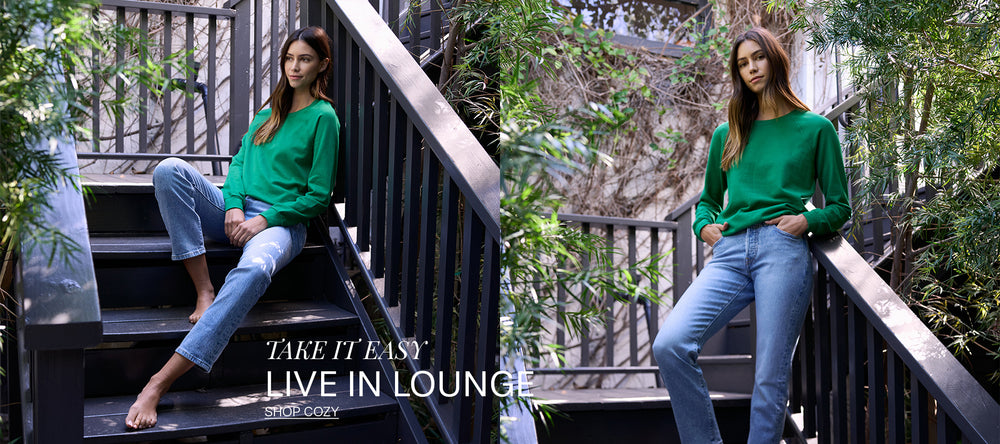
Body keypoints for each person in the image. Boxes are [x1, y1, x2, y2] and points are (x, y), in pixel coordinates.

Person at [125, 25, 340, 430]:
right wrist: (235, 205)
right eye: (290, 58)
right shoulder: (270, 109)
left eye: (305, 59)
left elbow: (318, 197)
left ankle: (159, 382)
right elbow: (239, 163)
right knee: (171, 170)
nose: (294, 67)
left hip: (281, 223)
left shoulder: (324, 118)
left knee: (256, 269)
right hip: (239, 212)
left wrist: (263, 219)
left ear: (321, 65)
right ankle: (204, 289)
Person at [651, 27, 850, 443]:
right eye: (742, 64)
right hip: (729, 252)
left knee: (769, 376)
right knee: (670, 345)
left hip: (782, 249)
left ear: (774, 59)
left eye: (757, 58)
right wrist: (704, 225)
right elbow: (707, 200)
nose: (751, 68)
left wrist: (807, 222)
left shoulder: (815, 129)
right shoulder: (729, 133)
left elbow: (839, 207)